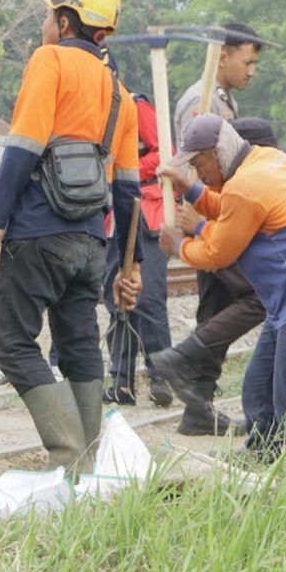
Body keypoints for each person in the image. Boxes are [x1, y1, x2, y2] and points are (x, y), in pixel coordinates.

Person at [0, 0, 143, 476]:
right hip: (91, 242)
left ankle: (69, 454)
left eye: (50, 14)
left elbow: (24, 146)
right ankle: (86, 465)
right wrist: (126, 264)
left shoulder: (48, 61)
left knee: (10, 343)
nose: (46, 23)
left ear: (66, 20)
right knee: (78, 345)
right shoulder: (121, 94)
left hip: (38, 233)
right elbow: (128, 188)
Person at [158, 115, 286, 459]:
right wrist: (190, 190)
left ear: (216, 152)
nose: (198, 171)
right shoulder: (267, 160)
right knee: (258, 390)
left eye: (198, 163)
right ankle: (263, 455)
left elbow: (218, 252)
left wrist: (178, 246)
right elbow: (234, 210)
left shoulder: (246, 185)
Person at [148, 24, 262, 436]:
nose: (251, 71)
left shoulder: (221, 98)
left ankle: (198, 407)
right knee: (245, 299)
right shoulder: (203, 100)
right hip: (210, 215)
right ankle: (188, 383)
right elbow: (201, 162)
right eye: (247, 61)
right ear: (225, 55)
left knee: (217, 310)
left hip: (217, 212)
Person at [101, 90, 174, 407]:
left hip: (147, 213)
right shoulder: (93, 108)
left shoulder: (136, 105)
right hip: (113, 214)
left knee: (149, 298)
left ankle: (162, 377)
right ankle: (121, 381)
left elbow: (164, 154)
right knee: (114, 295)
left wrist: (123, 170)